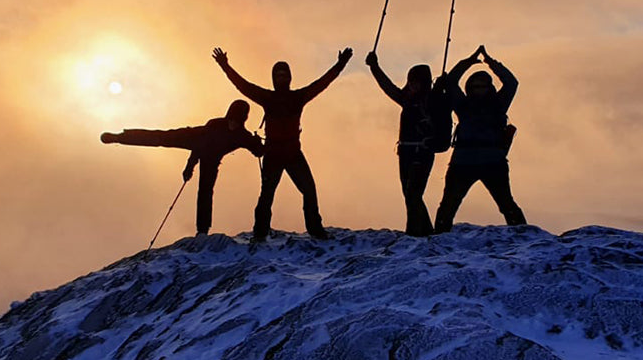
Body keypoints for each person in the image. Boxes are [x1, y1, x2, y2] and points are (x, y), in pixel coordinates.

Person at [212, 46, 352, 241]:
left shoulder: (295, 97)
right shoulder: (270, 98)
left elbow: (322, 83)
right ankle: (260, 234)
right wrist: (225, 66)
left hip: (292, 153)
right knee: (267, 196)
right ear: (274, 78)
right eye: (278, 75)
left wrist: (340, 64)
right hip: (275, 154)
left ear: (289, 77)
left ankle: (314, 230)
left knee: (308, 190)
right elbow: (243, 86)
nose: (281, 78)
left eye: (284, 74)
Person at [101, 100, 263, 235]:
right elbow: (199, 146)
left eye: (237, 120)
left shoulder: (243, 135)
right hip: (193, 138)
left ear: (243, 120)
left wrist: (257, 143)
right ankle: (120, 137)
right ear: (228, 116)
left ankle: (202, 230)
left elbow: (258, 152)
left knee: (205, 190)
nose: (233, 123)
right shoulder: (216, 124)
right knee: (161, 137)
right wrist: (190, 167)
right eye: (232, 119)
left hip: (212, 159)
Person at [434, 45, 526, 230]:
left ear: (489, 87)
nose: (480, 90)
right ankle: (439, 237)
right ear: (470, 88)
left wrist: (491, 63)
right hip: (468, 161)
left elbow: (511, 83)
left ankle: (521, 235)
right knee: (448, 205)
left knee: (506, 204)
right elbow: (451, 83)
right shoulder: (463, 105)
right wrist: (468, 62)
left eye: (483, 86)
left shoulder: (497, 104)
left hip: (488, 161)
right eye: (476, 86)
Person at [365, 52, 449, 236]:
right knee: (410, 194)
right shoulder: (407, 99)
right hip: (405, 152)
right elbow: (388, 88)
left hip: (422, 152)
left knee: (413, 193)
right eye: (410, 81)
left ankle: (414, 233)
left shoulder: (434, 100)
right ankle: (425, 231)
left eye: (415, 82)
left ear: (424, 83)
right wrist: (374, 68)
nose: (411, 85)